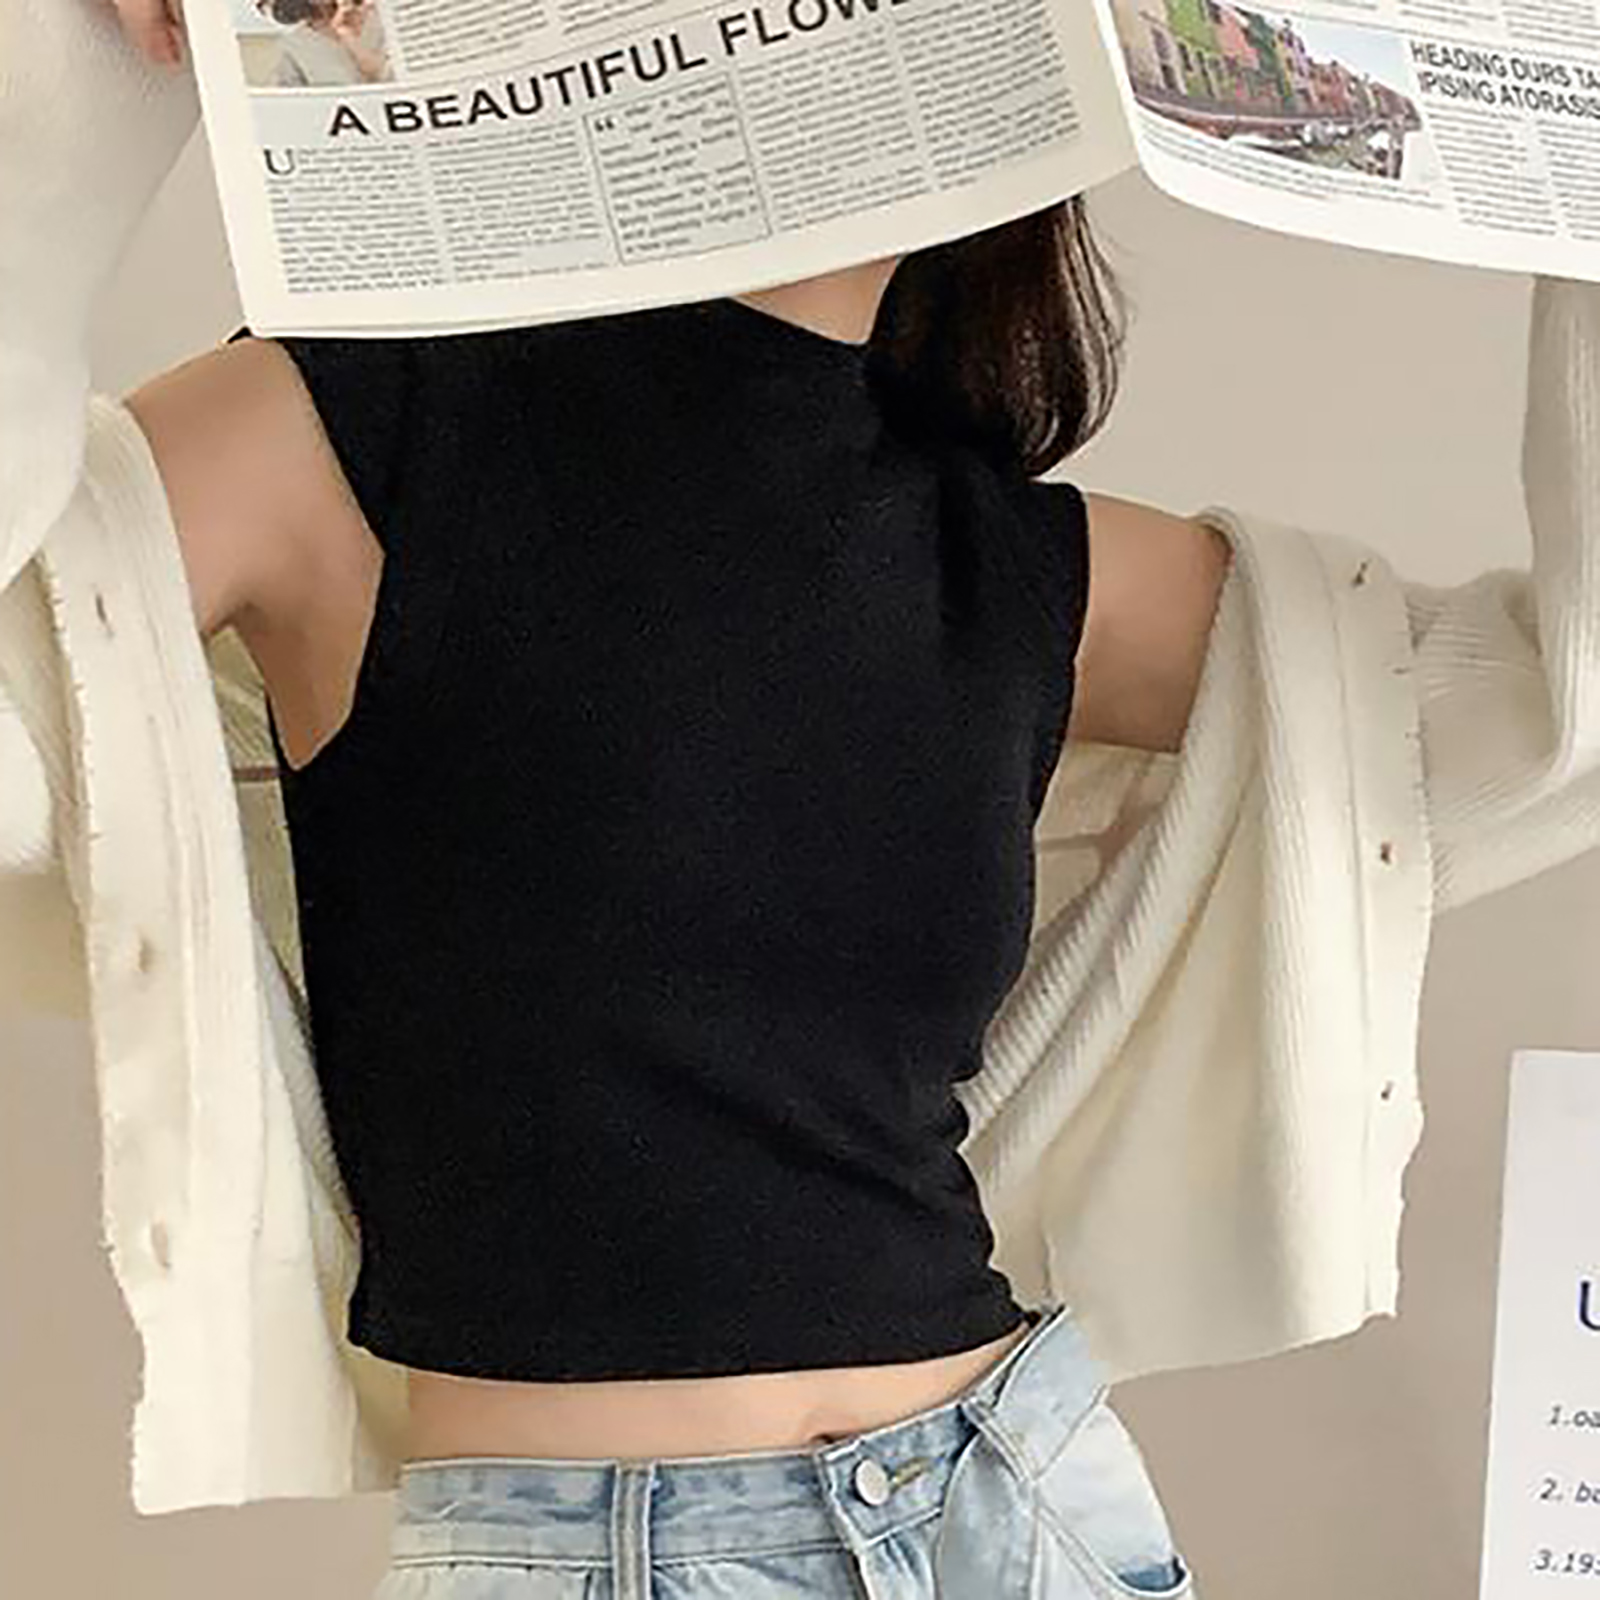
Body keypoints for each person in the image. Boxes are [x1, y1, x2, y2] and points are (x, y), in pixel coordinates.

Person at [10, 1, 1593, 1596]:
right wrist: (93, 72)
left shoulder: (1013, 562)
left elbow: (1553, 718)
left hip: (1018, 1507)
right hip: (595, 1554)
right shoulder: (337, 434)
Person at [256, 0, 390, 87]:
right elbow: (284, 106)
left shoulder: (384, 18)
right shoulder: (294, 44)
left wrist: (349, 38)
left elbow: (389, 80)